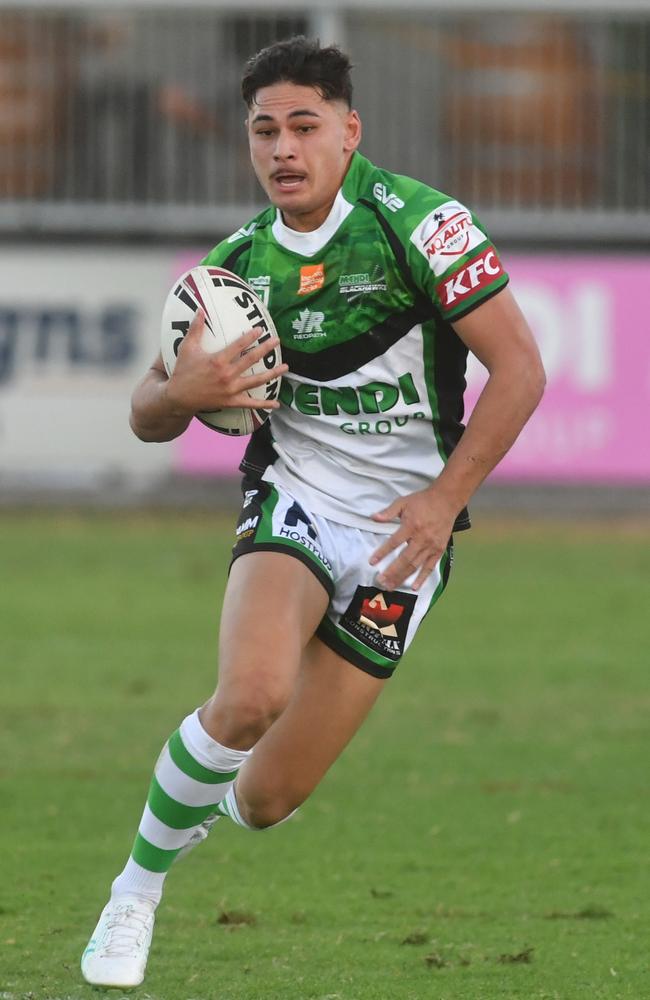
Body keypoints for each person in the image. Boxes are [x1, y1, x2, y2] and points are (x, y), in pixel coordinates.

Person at [81, 36, 545, 988]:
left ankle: (202, 791)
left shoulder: (422, 225)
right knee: (249, 697)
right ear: (248, 143)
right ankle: (133, 896)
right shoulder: (236, 270)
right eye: (264, 130)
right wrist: (182, 390)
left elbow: (522, 370)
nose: (283, 148)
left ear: (348, 130)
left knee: (262, 800)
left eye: (303, 125)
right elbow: (144, 414)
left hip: (403, 541)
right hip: (294, 497)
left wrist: (444, 500)